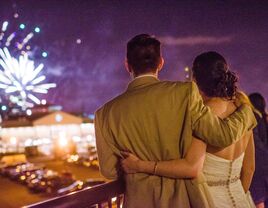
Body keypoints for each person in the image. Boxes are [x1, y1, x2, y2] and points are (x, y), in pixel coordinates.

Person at [94, 34, 256, 208]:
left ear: (127, 65)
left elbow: (109, 171)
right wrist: (247, 111)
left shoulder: (104, 114)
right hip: (182, 200)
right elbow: (221, 137)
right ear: (160, 63)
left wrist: (136, 165)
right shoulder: (184, 94)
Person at [249, 93, 268, 208]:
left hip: (258, 163)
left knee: (258, 197)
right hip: (265, 161)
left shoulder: (254, 118)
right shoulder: (263, 118)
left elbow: (256, 144)